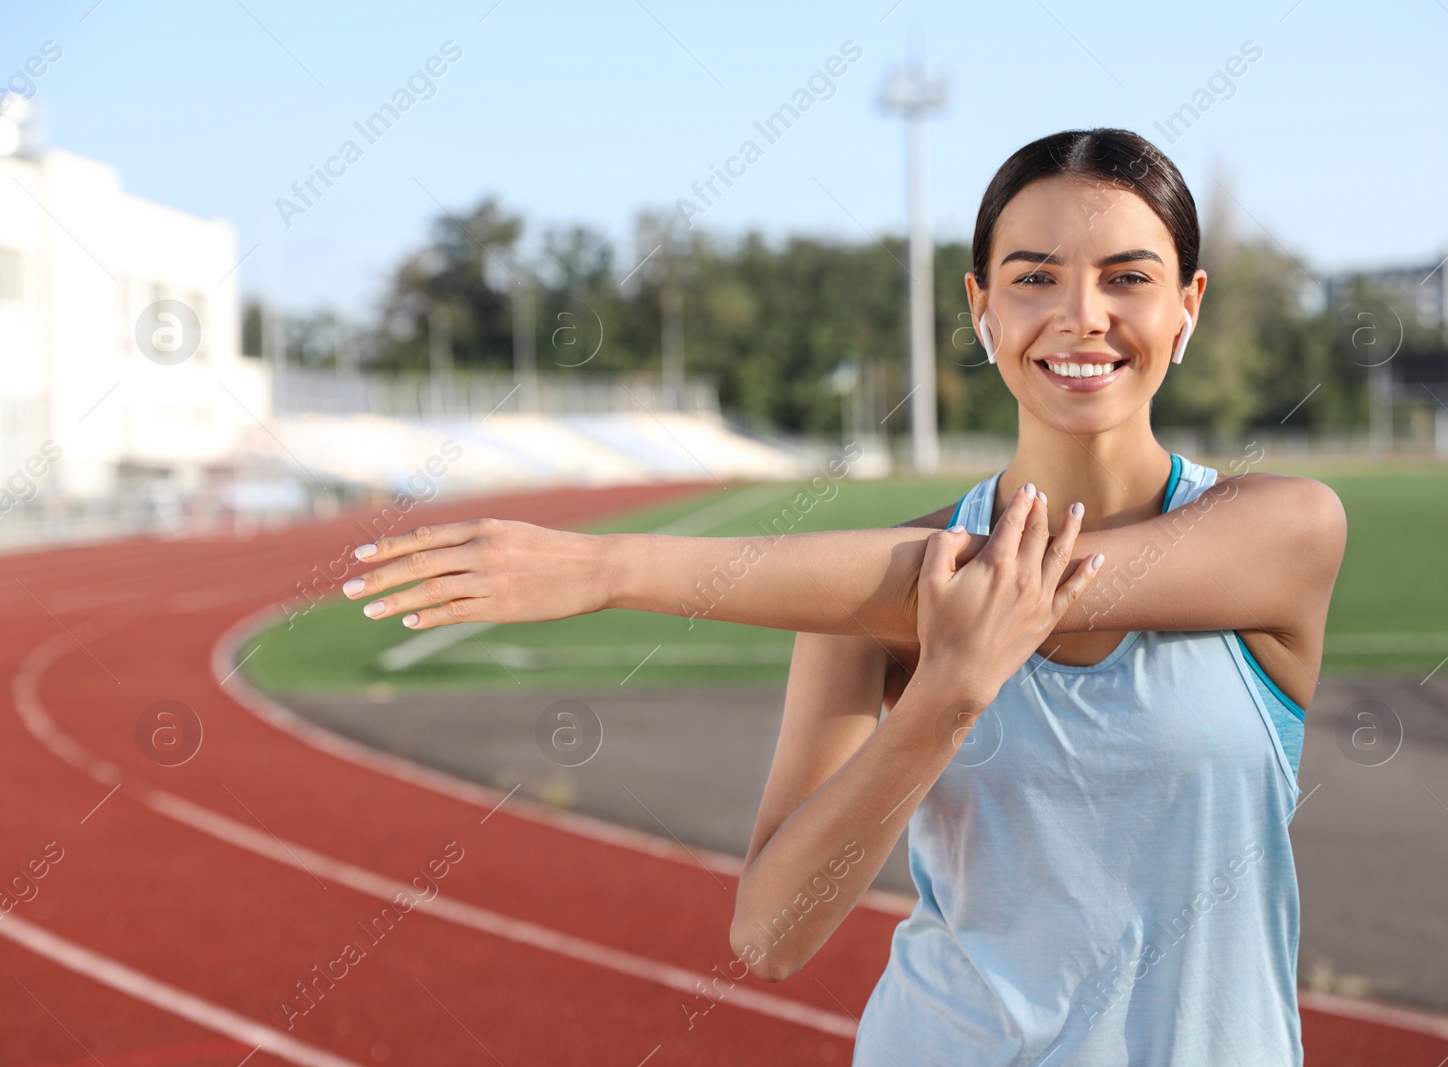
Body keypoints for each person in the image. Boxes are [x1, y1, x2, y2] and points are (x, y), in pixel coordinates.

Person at [342, 128, 1345, 1065]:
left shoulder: (1285, 529)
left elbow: (1014, 581)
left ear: (1189, 304)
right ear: (979, 306)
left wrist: (612, 569)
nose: (1081, 314)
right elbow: (771, 936)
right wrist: (944, 696)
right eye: (1032, 277)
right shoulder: (855, 594)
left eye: (1128, 277)